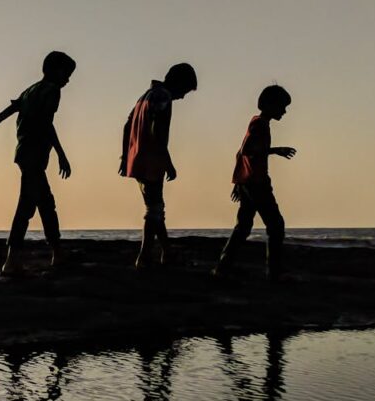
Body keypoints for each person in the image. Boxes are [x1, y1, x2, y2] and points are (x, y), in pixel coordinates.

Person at [0, 51, 76, 274]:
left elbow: (4, 113)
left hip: (24, 153)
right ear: (54, 70)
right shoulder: (51, 91)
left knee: (46, 204)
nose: (68, 79)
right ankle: (12, 259)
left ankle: (57, 252)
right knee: (26, 206)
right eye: (66, 73)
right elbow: (46, 124)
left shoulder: (30, 91)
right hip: (34, 155)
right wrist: (61, 154)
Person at [212, 85, 296, 281]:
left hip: (249, 181)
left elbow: (241, 152)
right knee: (275, 225)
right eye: (282, 106)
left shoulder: (257, 123)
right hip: (257, 182)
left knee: (243, 226)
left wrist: (238, 182)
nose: (284, 111)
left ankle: (223, 266)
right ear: (270, 105)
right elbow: (248, 150)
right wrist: (276, 150)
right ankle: (273, 272)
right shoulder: (260, 125)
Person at [120, 63, 198, 269]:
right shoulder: (162, 96)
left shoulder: (145, 96)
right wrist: (168, 161)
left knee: (155, 208)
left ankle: (167, 252)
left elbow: (128, 125)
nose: (182, 97)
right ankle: (144, 257)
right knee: (154, 210)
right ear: (178, 83)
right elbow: (158, 131)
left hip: (136, 158)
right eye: (184, 91)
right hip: (151, 159)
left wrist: (124, 156)